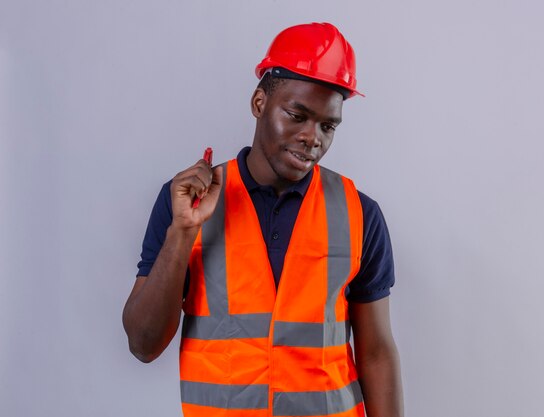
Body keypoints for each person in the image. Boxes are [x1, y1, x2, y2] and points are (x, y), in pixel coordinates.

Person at [123, 22, 404, 417]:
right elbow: (143, 344)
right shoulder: (187, 202)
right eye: (297, 115)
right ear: (259, 103)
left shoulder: (360, 214)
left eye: (328, 126)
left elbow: (376, 353)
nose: (313, 138)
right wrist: (183, 231)